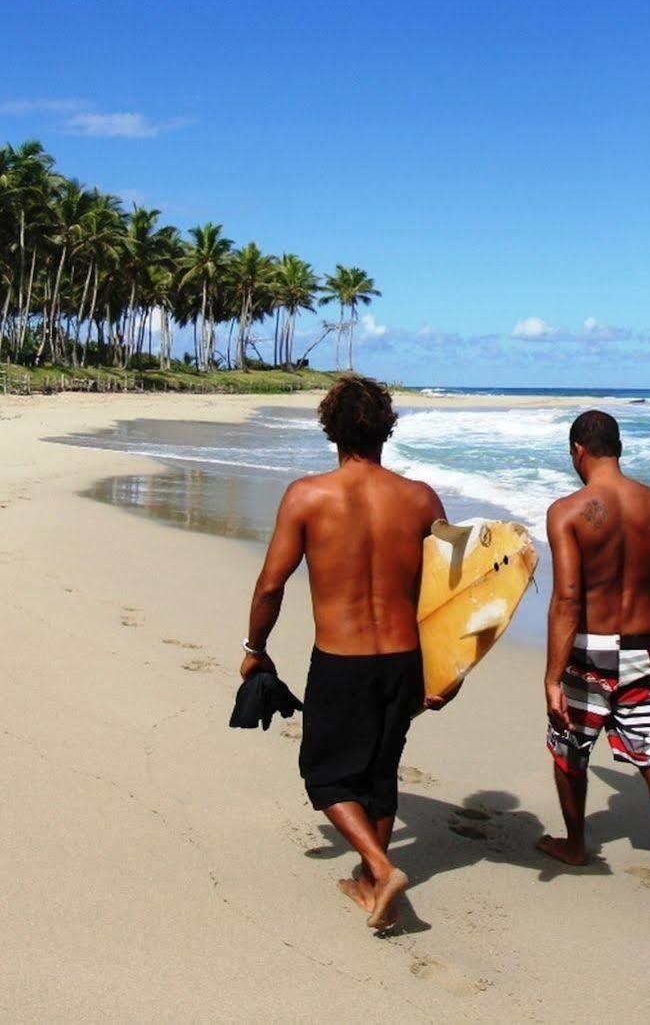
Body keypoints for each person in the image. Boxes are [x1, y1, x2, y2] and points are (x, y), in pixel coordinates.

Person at [239, 375, 449, 930]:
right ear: (386, 428)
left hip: (342, 661)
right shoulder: (421, 499)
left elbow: (270, 585)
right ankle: (368, 883)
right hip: (405, 661)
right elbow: (456, 593)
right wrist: (450, 671)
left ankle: (381, 868)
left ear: (331, 429)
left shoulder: (308, 495)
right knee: (380, 776)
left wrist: (255, 647)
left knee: (325, 776)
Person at [536, 408, 650, 910]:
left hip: (589, 650)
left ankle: (574, 845)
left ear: (577, 452)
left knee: (569, 751)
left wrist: (552, 677)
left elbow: (567, 598)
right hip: (644, 650)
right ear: (620, 448)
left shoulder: (568, 511)